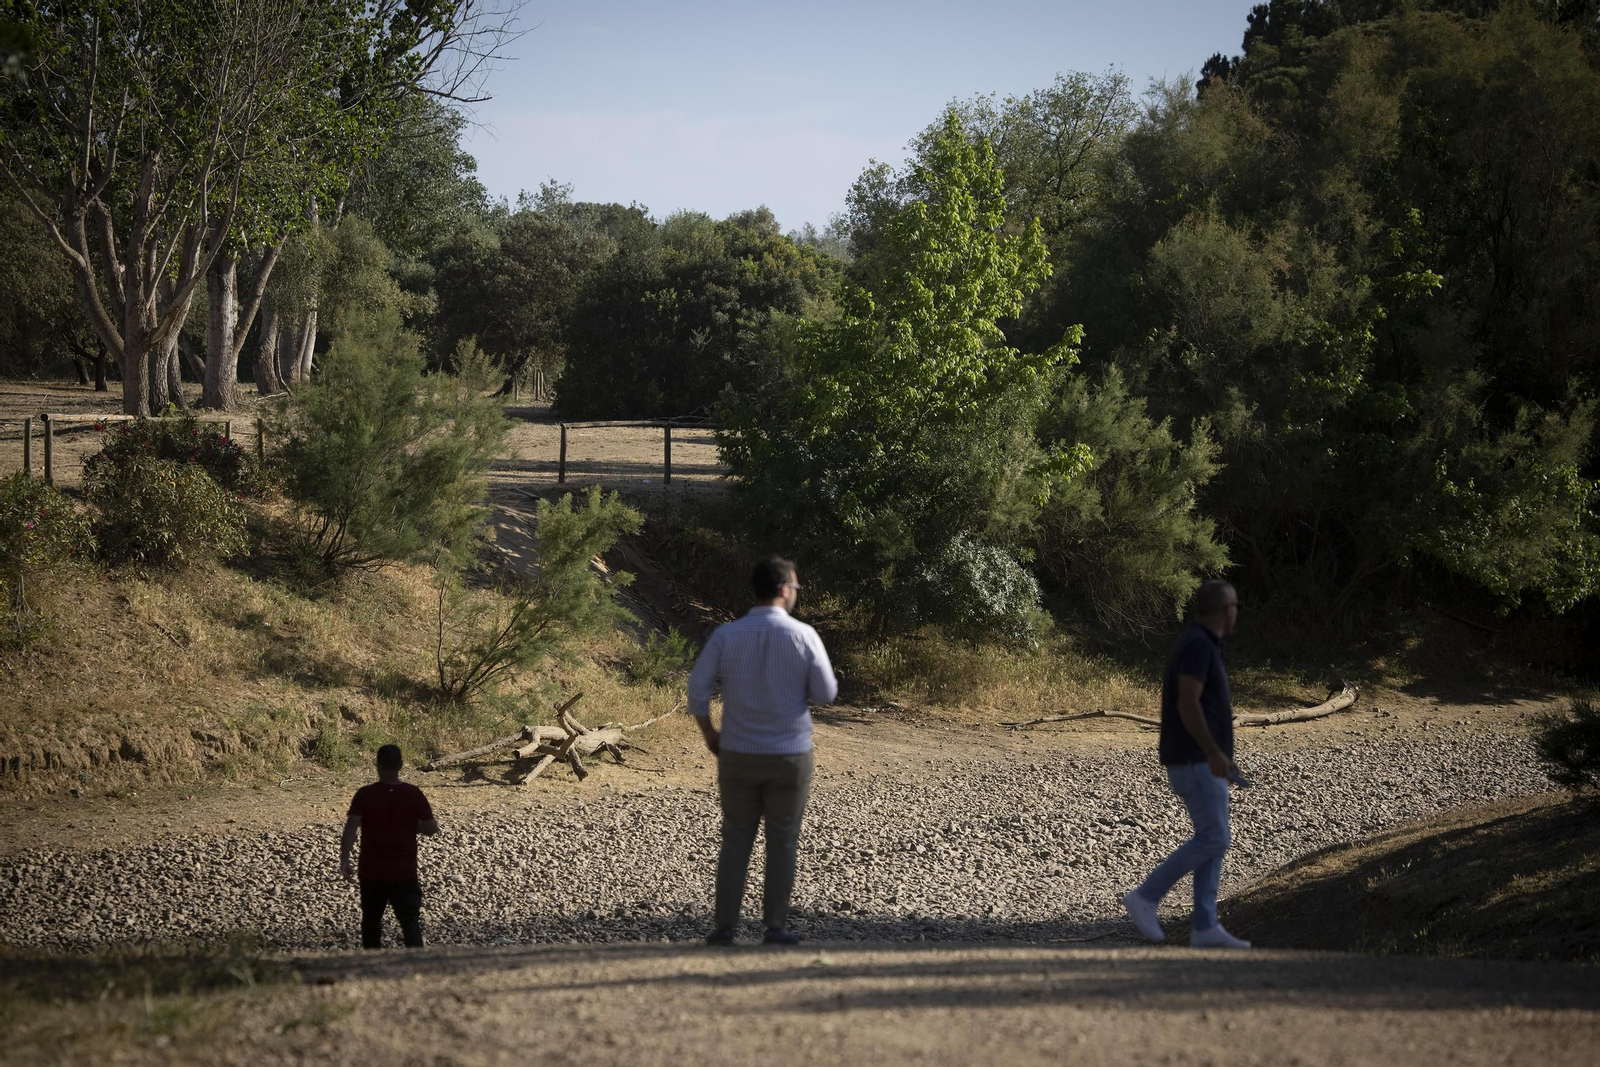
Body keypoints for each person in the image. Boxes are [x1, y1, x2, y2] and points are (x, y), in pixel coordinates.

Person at [689, 555, 838, 946]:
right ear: (785, 589)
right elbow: (826, 693)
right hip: (790, 753)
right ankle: (774, 926)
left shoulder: (726, 635)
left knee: (736, 837)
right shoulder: (804, 636)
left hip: (737, 750)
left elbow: (697, 690)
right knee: (783, 839)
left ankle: (724, 928)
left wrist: (710, 734)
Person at [1122, 579, 1252, 949]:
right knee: (1215, 838)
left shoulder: (1202, 643)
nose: (1236, 613)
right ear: (1226, 609)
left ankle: (1205, 926)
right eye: (1236, 606)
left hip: (1204, 759)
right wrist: (1212, 752)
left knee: (1213, 839)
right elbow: (1188, 703)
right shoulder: (1197, 645)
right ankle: (1146, 896)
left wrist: (1223, 758)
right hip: (1195, 759)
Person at [340, 744, 439, 949]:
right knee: (410, 923)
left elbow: (351, 829)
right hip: (404, 872)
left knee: (371, 923)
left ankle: (372, 966)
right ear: (401, 765)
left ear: (377, 765)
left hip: (371, 871)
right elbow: (431, 829)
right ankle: (417, 966)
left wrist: (344, 859)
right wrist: (413, 825)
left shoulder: (365, 795)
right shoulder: (413, 794)